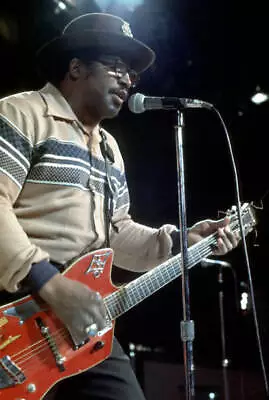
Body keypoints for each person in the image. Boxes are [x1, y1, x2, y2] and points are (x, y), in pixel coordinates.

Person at [0, 13, 239, 400]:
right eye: (115, 67)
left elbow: (117, 232)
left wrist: (182, 239)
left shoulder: (110, 149)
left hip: (84, 323)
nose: (128, 79)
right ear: (76, 68)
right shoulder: (21, 114)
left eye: (131, 73)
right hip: (20, 308)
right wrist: (53, 285)